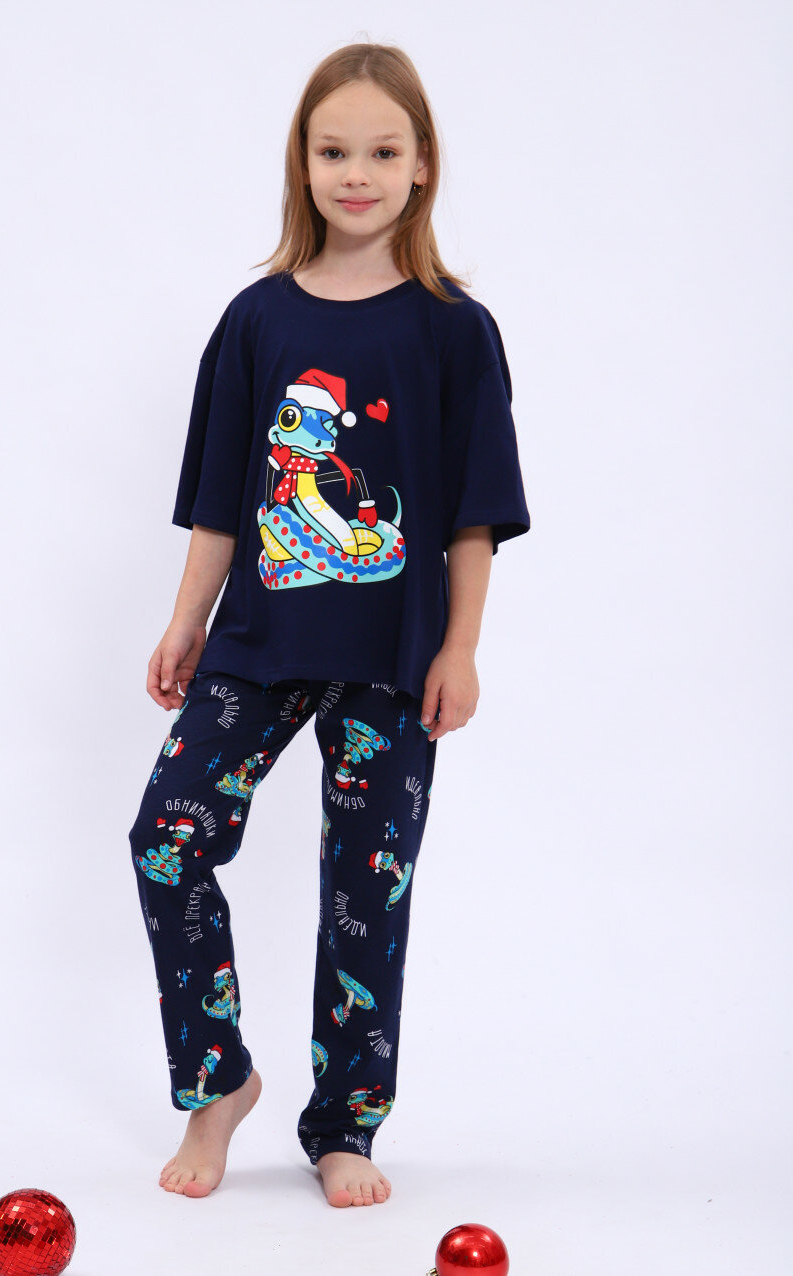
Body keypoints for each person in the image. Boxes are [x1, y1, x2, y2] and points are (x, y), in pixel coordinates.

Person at [127, 41, 531, 1209]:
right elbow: (220, 496)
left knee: (367, 889)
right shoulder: (255, 319)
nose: (358, 173)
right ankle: (218, 1081)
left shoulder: (455, 330)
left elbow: (473, 513)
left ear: (422, 165)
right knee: (167, 837)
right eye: (334, 150)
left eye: (383, 151)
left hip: (393, 660)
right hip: (257, 645)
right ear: (301, 165)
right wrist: (186, 621)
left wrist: (461, 647)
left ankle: (345, 1124)